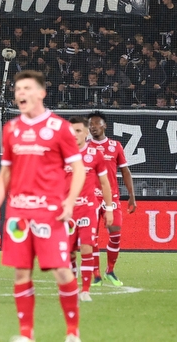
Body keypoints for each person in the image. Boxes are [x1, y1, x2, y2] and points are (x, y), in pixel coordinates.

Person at [0, 70, 86, 342]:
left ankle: (73, 332)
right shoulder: (11, 129)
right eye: (18, 89)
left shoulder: (59, 128)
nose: (21, 93)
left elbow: (78, 169)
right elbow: (5, 174)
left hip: (49, 212)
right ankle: (26, 335)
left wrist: (69, 202)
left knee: (61, 270)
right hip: (18, 212)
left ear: (41, 93)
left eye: (27, 88)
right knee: (20, 271)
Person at [65, 116, 114, 302]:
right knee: (69, 252)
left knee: (86, 247)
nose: (74, 134)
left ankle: (85, 290)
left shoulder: (95, 154)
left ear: (86, 133)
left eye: (78, 131)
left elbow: (105, 183)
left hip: (88, 208)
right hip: (67, 211)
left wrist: (108, 209)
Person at [88, 112, 136, 287]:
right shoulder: (84, 147)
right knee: (91, 238)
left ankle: (110, 270)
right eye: (90, 124)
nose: (92, 127)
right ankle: (96, 275)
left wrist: (132, 195)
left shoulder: (115, 146)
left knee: (115, 234)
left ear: (104, 126)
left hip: (111, 198)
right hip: (90, 198)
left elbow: (125, 172)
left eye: (96, 123)